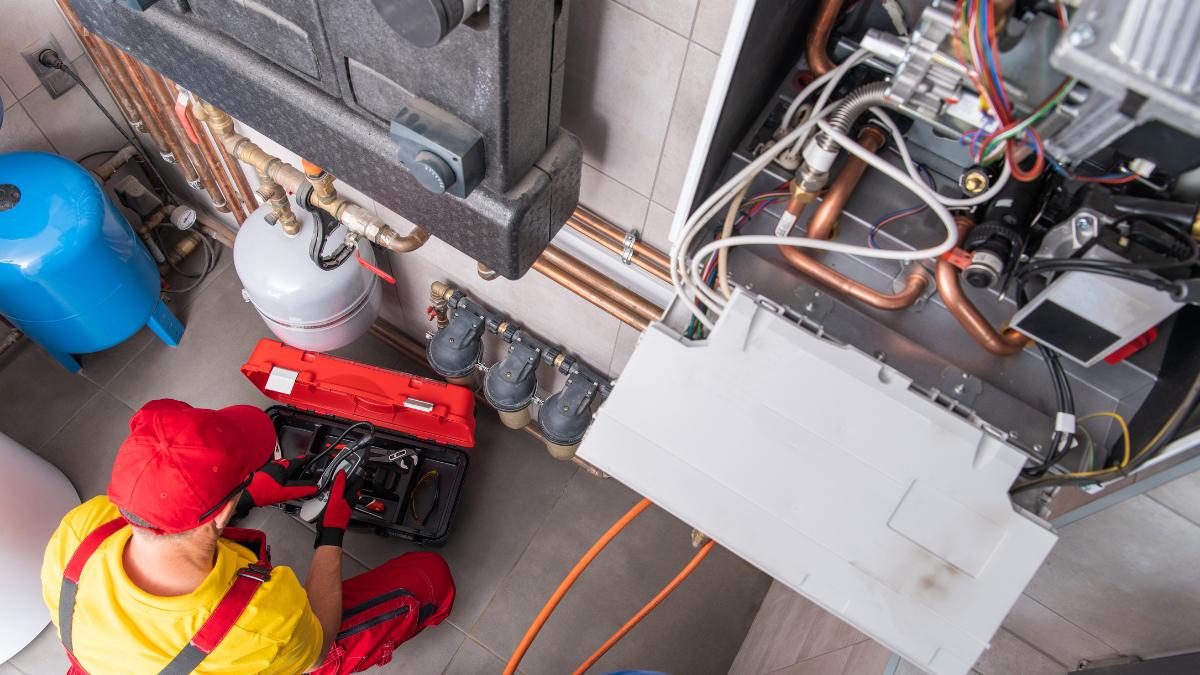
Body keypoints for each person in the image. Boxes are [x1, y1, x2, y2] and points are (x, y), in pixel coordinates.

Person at [40, 399, 455, 674]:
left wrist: (244, 497)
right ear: (218, 514)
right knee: (430, 578)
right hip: (263, 652)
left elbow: (167, 518)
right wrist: (330, 534)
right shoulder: (257, 618)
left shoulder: (80, 531)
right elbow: (318, 645)